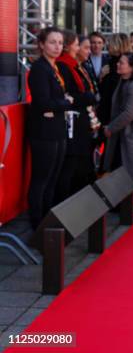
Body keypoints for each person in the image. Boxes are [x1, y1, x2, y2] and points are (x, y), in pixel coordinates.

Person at [26, 27, 74, 230]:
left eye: (60, 42)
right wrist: (65, 102)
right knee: (41, 179)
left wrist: (61, 103)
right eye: (52, 42)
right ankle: (37, 223)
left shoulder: (54, 68)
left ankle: (48, 219)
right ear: (42, 45)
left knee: (53, 177)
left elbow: (53, 103)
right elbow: (44, 102)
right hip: (44, 133)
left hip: (57, 128)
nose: (57, 46)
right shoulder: (39, 69)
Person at [102, 53, 133, 216]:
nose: (118, 65)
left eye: (122, 63)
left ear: (132, 67)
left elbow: (129, 113)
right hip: (125, 135)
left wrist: (110, 128)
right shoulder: (124, 82)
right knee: (124, 170)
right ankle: (124, 204)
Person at [54, 31, 98, 203]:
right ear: (69, 46)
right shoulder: (64, 66)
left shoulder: (76, 66)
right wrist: (88, 97)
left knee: (82, 165)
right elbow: (69, 95)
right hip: (73, 124)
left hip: (82, 122)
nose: (81, 49)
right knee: (71, 167)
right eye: (78, 45)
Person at [98, 33, 131, 126]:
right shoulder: (110, 61)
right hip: (109, 109)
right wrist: (101, 77)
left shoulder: (121, 64)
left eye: (110, 43)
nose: (107, 45)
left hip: (115, 110)